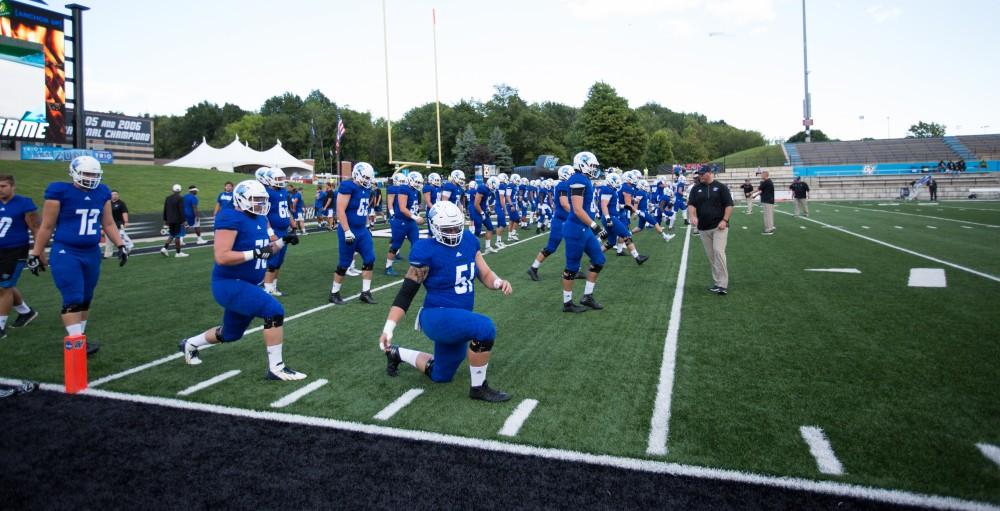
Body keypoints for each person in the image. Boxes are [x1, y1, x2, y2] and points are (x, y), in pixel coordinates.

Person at [380, 200, 512, 402]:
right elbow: (406, 293)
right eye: (447, 228)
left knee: (440, 375)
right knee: (485, 328)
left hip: (458, 317)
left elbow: (483, 272)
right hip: (437, 315)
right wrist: (389, 327)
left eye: (456, 227)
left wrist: (497, 282)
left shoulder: (468, 240)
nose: (452, 232)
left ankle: (397, 354)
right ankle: (478, 388)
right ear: (434, 227)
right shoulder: (426, 250)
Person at [178, 179, 305, 381]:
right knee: (274, 311)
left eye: (263, 200)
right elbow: (222, 256)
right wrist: (256, 253)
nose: (261, 204)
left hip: (249, 284)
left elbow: (266, 252)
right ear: (241, 199)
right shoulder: (230, 217)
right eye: (256, 200)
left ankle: (190, 344)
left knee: (231, 333)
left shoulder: (261, 219)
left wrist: (283, 241)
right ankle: (276, 368)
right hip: (229, 283)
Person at [27, 156, 128, 355]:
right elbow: (47, 226)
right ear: (73, 172)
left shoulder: (102, 192)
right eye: (86, 174)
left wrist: (120, 244)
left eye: (94, 174)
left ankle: (79, 339)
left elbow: (108, 223)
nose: (90, 178)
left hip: (91, 252)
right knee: (73, 297)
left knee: (86, 297)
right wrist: (36, 252)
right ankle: (75, 343)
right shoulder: (60, 192)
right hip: (67, 251)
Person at [561, 151, 608, 313]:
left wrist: (592, 227)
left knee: (599, 260)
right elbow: (578, 210)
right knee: (572, 268)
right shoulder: (577, 179)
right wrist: (596, 227)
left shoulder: (584, 179)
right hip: (575, 229)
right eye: (592, 165)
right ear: (583, 163)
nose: (594, 169)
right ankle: (567, 303)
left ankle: (587, 296)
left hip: (584, 229)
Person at [329, 162, 377, 305]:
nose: (368, 181)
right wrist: (347, 231)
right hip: (349, 230)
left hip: (362, 230)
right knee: (344, 264)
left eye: (369, 178)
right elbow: (340, 210)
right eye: (366, 177)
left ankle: (365, 292)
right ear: (357, 174)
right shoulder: (347, 186)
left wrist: (368, 224)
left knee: (370, 259)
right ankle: (334, 293)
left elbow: (362, 209)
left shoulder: (366, 189)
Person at [0, 175, 40, 338]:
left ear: (12, 186)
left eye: (3, 186)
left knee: (3, 287)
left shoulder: (24, 203)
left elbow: (35, 227)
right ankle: (26, 312)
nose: (0, 189)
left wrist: (38, 251)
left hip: (15, 250)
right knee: (4, 286)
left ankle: (0, 326)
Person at [687, 167, 733, 295]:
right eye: (699, 174)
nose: (700, 176)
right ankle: (717, 282)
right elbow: (691, 204)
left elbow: (729, 205)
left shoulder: (721, 187)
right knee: (712, 256)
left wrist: (725, 220)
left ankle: (723, 284)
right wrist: (692, 216)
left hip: (719, 227)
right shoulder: (696, 188)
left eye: (702, 174)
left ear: (710, 173)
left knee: (718, 252)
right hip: (703, 228)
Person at [527, 166, 573, 281]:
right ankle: (533, 268)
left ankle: (573, 269)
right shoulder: (563, 185)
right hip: (560, 221)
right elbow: (564, 203)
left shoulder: (567, 185)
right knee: (551, 247)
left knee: (574, 244)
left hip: (567, 220)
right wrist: (576, 213)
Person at [257, 167, 294, 297]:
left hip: (284, 230)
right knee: (272, 261)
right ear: (270, 179)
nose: (281, 181)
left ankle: (273, 286)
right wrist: (270, 232)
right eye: (278, 179)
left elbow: (285, 209)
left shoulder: (283, 191)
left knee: (279, 261)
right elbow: (263, 214)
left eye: (281, 178)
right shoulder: (266, 193)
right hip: (275, 231)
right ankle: (267, 288)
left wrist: (291, 221)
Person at [385, 172, 425, 276]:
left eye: (420, 182)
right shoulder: (404, 189)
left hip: (410, 222)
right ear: (411, 180)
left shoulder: (414, 191)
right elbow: (402, 208)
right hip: (401, 221)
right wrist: (416, 217)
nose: (419, 184)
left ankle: (415, 266)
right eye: (417, 182)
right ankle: (388, 267)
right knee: (396, 245)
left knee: (416, 244)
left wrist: (416, 215)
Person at [471, 176, 499, 254]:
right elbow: (476, 204)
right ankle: (472, 248)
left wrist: (487, 209)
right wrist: (482, 212)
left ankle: (488, 247)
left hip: (483, 211)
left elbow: (485, 202)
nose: (494, 187)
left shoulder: (488, 190)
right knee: (477, 231)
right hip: (477, 211)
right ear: (491, 183)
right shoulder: (482, 188)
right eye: (494, 185)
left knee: (490, 228)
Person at [104, 190, 134, 258]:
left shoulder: (121, 203)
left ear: (118, 195)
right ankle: (107, 255)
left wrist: (126, 222)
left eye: (116, 194)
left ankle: (125, 251)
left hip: (119, 224)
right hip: (109, 224)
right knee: (108, 240)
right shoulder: (108, 203)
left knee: (121, 238)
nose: (114, 196)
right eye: (113, 194)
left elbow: (124, 212)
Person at [161, 184, 188, 257]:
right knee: (178, 236)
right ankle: (178, 253)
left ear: (172, 190)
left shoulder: (168, 198)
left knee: (172, 234)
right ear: (180, 190)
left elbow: (165, 210)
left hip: (170, 220)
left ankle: (165, 248)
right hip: (177, 220)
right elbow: (181, 210)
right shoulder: (180, 198)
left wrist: (165, 220)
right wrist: (184, 221)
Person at [751, 170, 775, 235]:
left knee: (767, 215)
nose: (761, 176)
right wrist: (755, 195)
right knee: (769, 215)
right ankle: (771, 227)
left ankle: (768, 230)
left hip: (767, 201)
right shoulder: (769, 181)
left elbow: (759, 189)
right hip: (769, 200)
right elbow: (761, 191)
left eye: (762, 174)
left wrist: (751, 193)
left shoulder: (766, 182)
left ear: (765, 175)